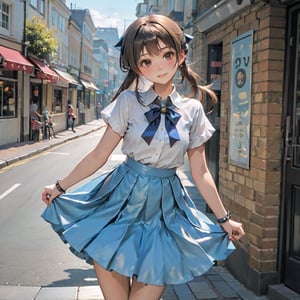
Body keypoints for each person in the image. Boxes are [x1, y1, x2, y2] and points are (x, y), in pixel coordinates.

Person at [41, 15, 245, 300]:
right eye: (146, 61)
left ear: (181, 55)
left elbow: (201, 172)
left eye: (167, 55)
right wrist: (59, 186)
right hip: (119, 204)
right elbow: (99, 154)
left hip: (166, 211)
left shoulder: (193, 110)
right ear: (136, 65)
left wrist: (224, 220)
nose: (158, 66)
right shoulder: (127, 102)